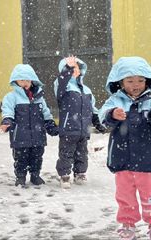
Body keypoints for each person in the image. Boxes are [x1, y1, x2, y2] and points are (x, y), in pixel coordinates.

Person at [98, 56, 151, 240]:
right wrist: (112, 115)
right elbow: (101, 118)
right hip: (123, 158)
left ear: (148, 81)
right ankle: (127, 223)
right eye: (130, 81)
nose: (135, 84)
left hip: (149, 159)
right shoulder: (115, 101)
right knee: (125, 195)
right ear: (120, 82)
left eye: (140, 80)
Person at [0, 64, 58, 187]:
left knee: (37, 157)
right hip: (20, 136)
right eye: (21, 80)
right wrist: (7, 122)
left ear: (32, 81)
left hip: (38, 135)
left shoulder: (39, 98)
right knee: (21, 158)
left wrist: (50, 125)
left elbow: (46, 113)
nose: (25, 82)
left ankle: (35, 175)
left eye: (27, 80)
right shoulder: (11, 97)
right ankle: (20, 177)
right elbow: (7, 111)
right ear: (15, 81)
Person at [54, 56, 106, 189]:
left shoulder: (86, 90)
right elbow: (60, 85)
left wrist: (97, 122)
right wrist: (67, 71)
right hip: (69, 128)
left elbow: (93, 108)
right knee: (66, 153)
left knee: (82, 154)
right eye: (70, 67)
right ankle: (65, 175)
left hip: (83, 129)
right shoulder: (62, 86)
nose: (74, 69)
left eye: (76, 67)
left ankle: (80, 173)